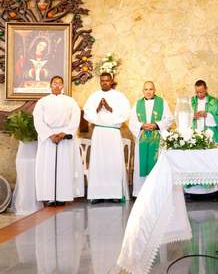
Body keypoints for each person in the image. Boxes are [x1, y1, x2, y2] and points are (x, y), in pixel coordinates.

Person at [33, 76, 84, 206]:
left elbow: (75, 118)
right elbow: (38, 120)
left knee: (64, 167)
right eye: (55, 83)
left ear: (63, 86)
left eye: (60, 83)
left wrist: (63, 133)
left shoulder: (70, 101)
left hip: (64, 138)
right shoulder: (42, 102)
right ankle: (49, 197)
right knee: (48, 167)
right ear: (50, 85)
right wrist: (50, 135)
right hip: (48, 140)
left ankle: (63, 196)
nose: (57, 85)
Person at [84, 72, 130, 204]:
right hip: (99, 132)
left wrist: (110, 108)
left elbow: (126, 113)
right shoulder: (94, 96)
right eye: (102, 81)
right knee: (98, 162)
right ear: (100, 82)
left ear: (111, 81)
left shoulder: (119, 96)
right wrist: (98, 108)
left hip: (113, 133)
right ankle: (98, 194)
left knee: (113, 162)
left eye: (107, 80)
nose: (104, 82)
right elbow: (87, 113)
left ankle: (114, 194)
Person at [129, 81, 173, 197]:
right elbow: (132, 122)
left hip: (157, 137)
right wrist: (141, 126)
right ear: (143, 91)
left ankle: (156, 191)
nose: (148, 92)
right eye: (146, 89)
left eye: (151, 89)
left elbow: (169, 119)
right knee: (141, 163)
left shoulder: (162, 102)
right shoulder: (137, 104)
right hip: (143, 137)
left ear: (154, 90)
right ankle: (140, 192)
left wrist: (156, 125)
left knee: (157, 162)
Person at [184, 80, 218, 198]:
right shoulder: (191, 102)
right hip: (194, 136)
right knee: (194, 162)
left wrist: (207, 115)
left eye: (201, 92)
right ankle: (193, 192)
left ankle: (211, 191)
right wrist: (192, 116)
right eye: (197, 92)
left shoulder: (214, 102)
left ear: (206, 89)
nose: (199, 94)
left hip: (209, 136)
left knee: (209, 162)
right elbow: (184, 116)